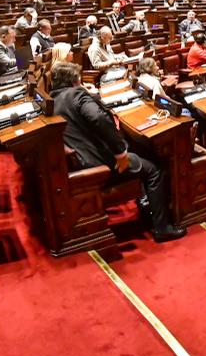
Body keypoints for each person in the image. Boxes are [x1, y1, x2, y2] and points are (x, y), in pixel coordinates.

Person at [50, 62, 186, 242]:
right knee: (154, 169)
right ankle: (162, 228)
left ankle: (146, 202)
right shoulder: (76, 94)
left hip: (81, 159)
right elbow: (98, 117)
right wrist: (120, 152)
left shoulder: (53, 100)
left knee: (140, 151)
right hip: (98, 162)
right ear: (75, 82)